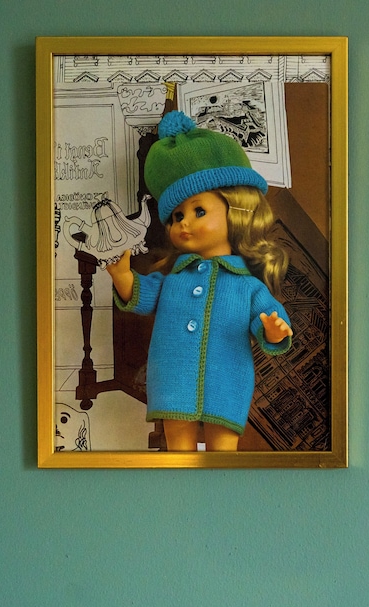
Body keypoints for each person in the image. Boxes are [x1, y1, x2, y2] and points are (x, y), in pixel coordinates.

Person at [107, 111, 293, 452]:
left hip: (227, 380)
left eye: (199, 211)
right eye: (177, 216)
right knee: (178, 447)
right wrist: (124, 277)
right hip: (172, 377)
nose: (184, 223)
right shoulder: (173, 279)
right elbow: (144, 295)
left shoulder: (246, 285)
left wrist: (273, 329)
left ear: (236, 209)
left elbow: (266, 314)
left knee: (224, 451)